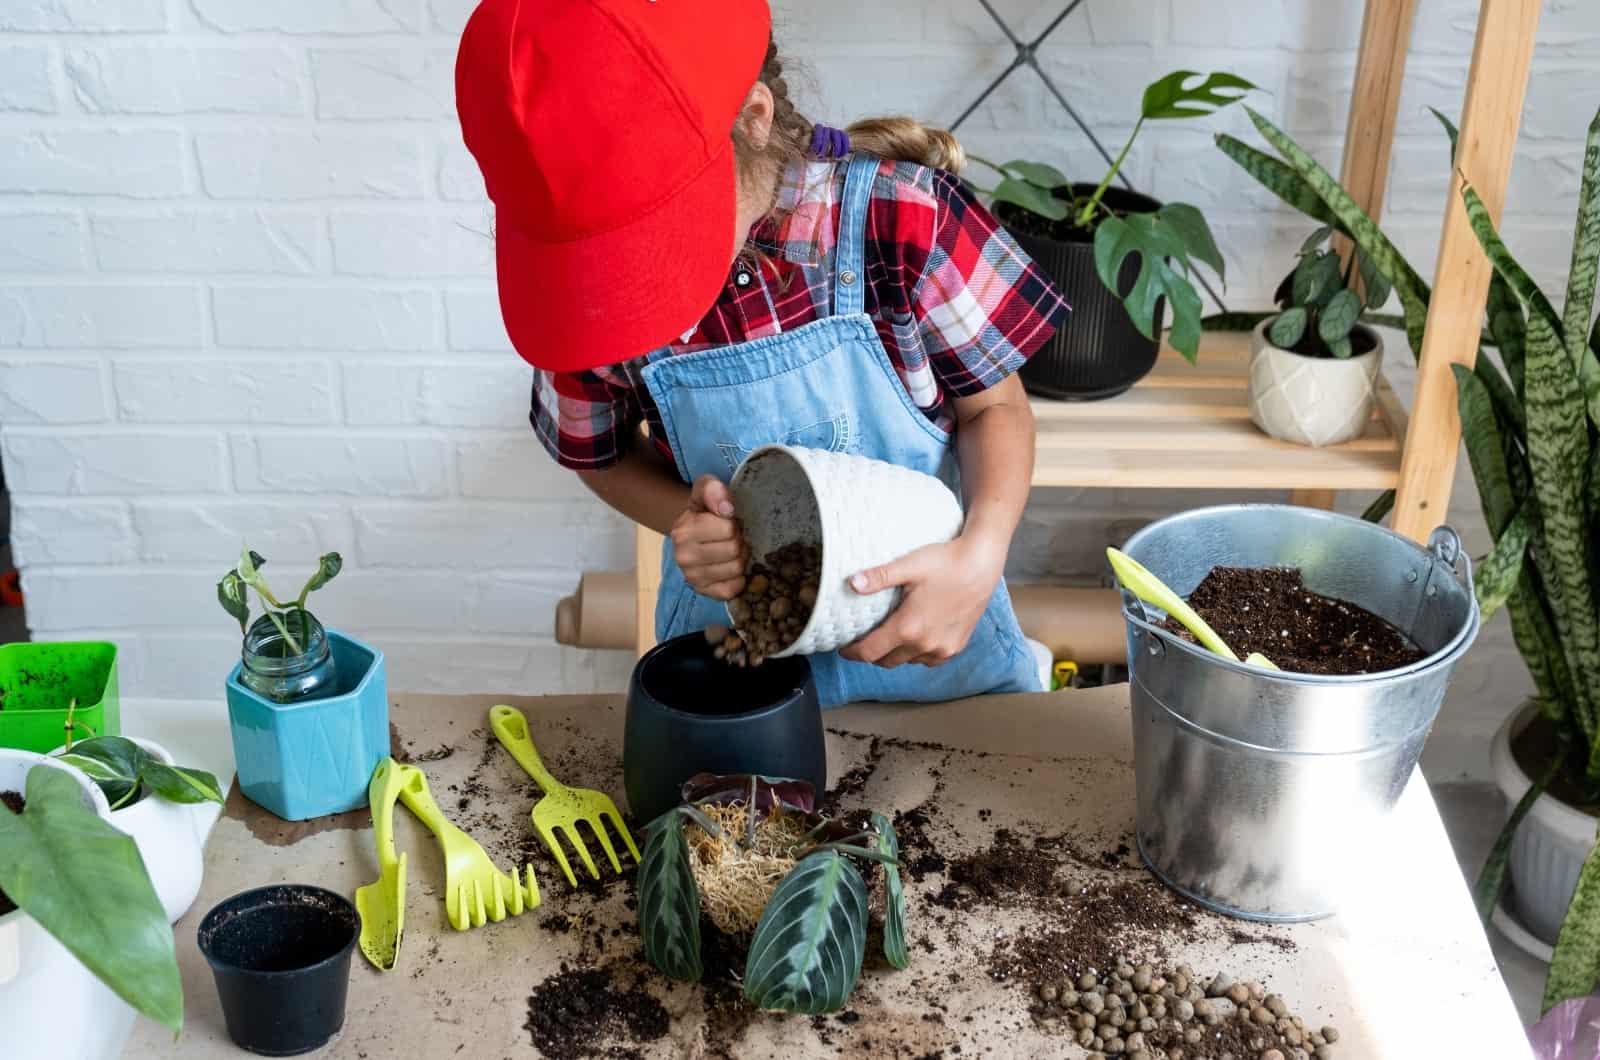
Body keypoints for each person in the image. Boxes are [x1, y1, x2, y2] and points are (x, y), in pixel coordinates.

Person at [455, 0, 1069, 707]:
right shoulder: (584, 298)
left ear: (754, 118)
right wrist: (692, 519)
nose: (631, 288)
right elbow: (597, 452)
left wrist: (981, 553)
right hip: (732, 662)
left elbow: (998, 407)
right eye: (603, 258)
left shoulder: (904, 221)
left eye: (651, 240)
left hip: (939, 639)